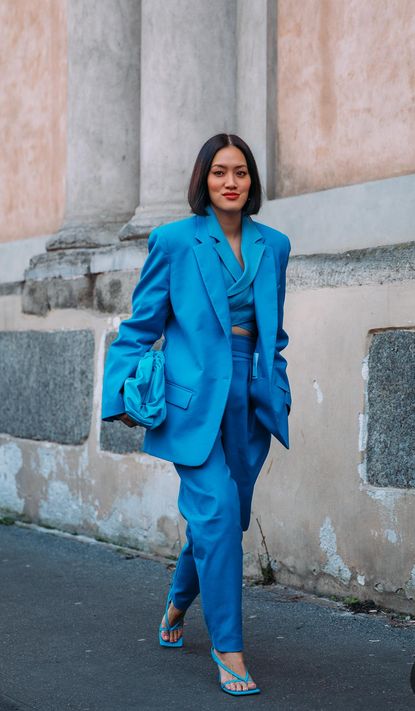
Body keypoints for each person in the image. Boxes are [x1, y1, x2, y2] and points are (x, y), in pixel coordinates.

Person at [101, 133, 292, 696]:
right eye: (218, 172)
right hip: (192, 403)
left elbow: (273, 334)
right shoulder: (175, 241)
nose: (230, 182)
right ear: (203, 180)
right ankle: (228, 648)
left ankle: (177, 604)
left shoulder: (275, 245)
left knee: (223, 519)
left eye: (240, 172)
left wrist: (275, 387)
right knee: (216, 516)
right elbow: (140, 328)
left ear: (252, 181)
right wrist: (121, 397)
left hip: (249, 403)